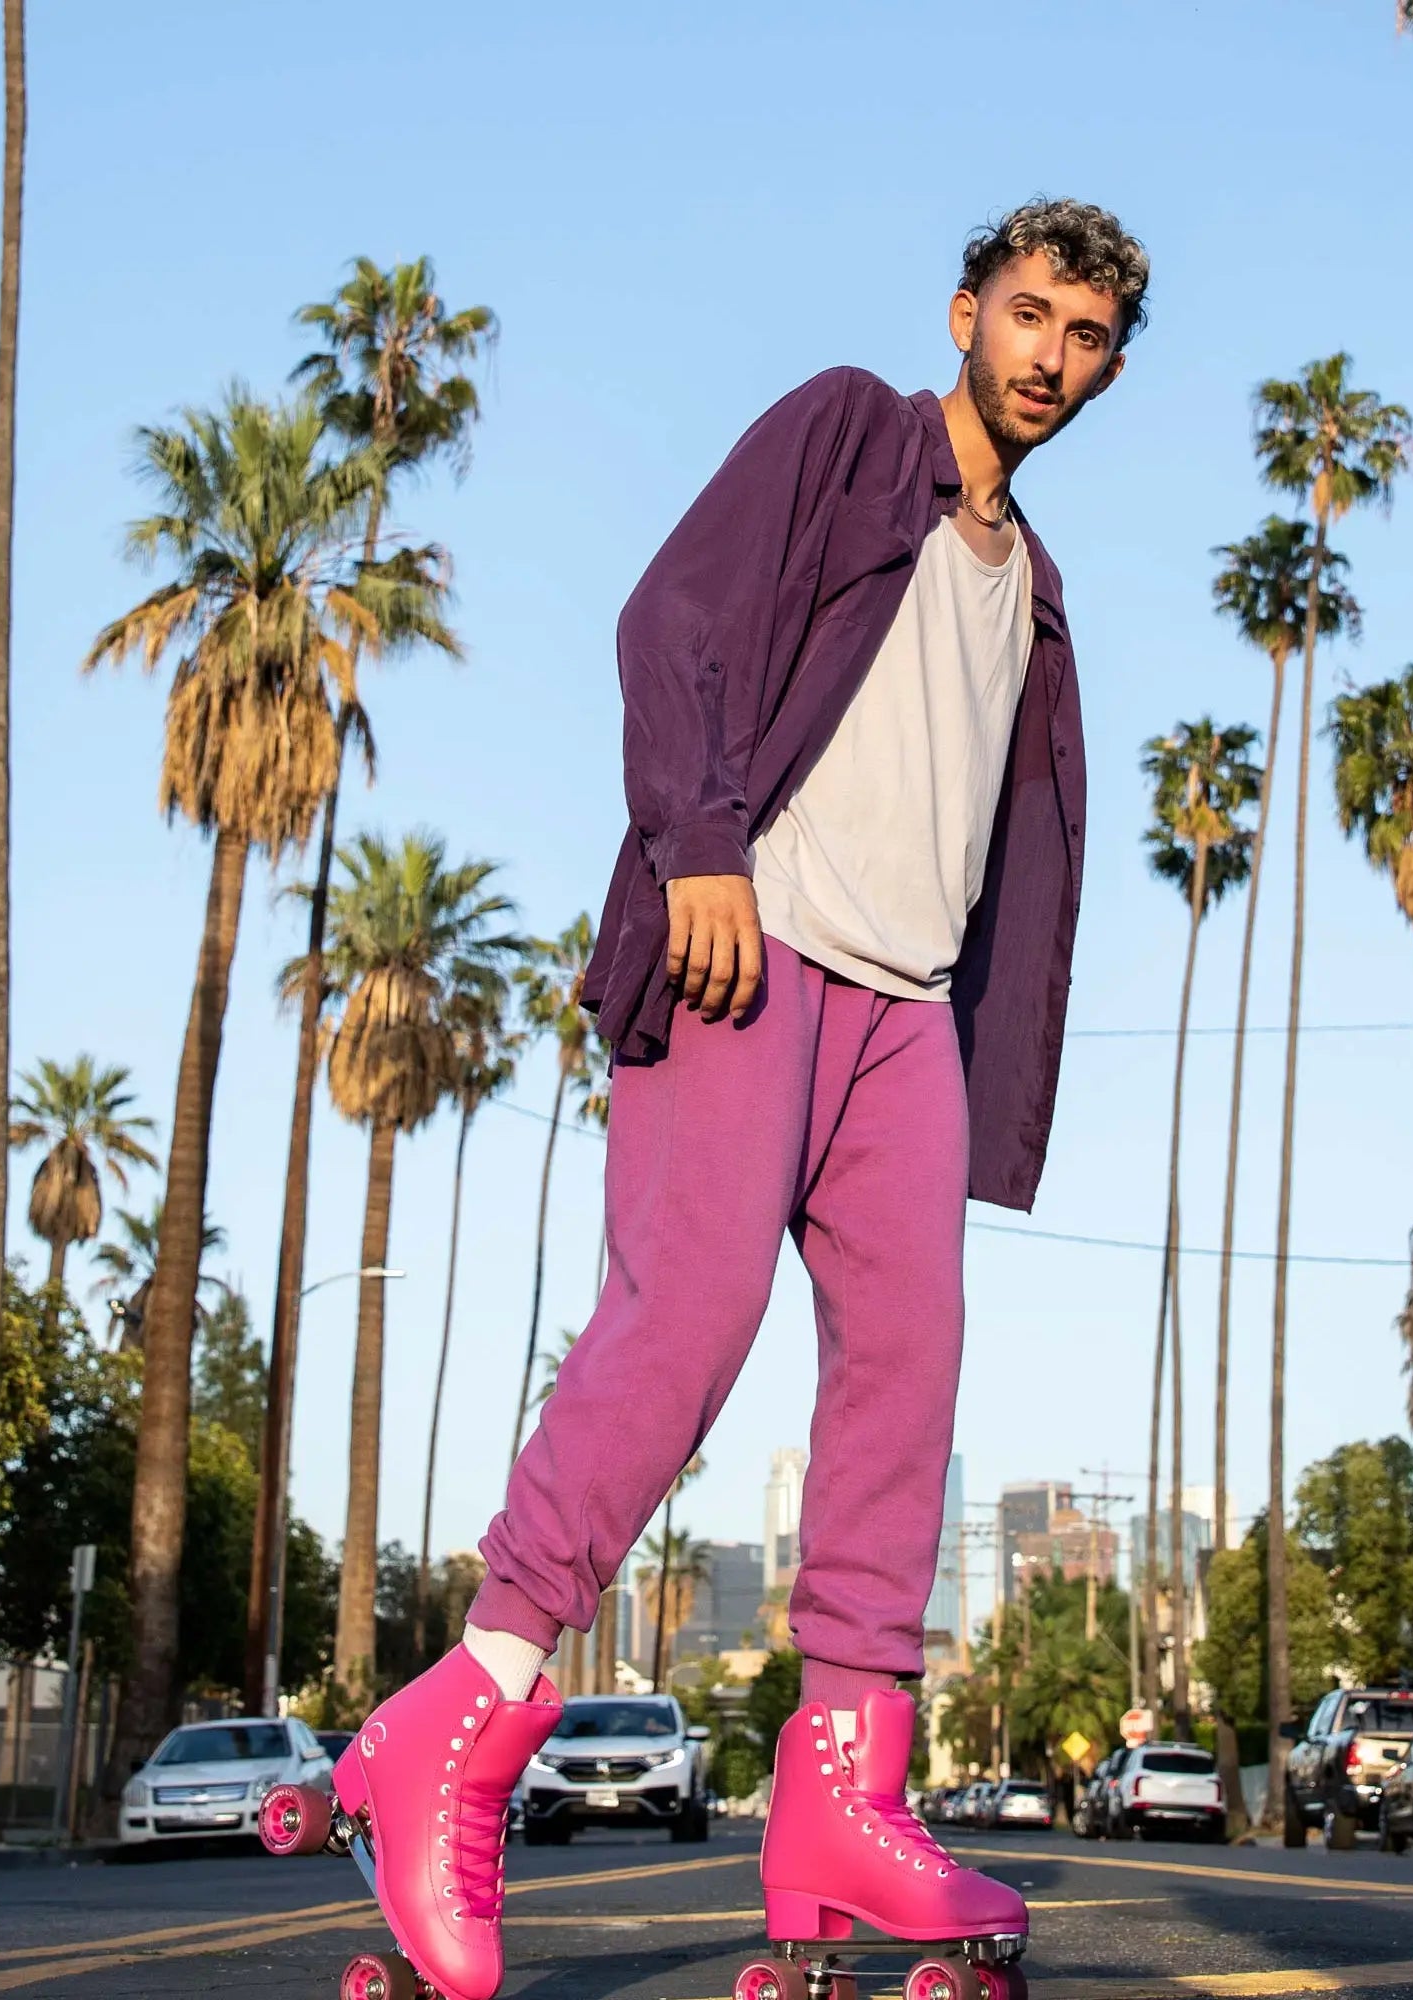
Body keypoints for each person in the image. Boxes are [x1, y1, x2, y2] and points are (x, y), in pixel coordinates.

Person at [329, 199, 1148, 2000]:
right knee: (688, 1316)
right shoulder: (851, 431)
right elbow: (674, 614)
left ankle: (846, 1790)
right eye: (1030, 318)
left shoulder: (1040, 590)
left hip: (907, 1013)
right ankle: (461, 1719)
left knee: (909, 1365)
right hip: (751, 941)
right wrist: (698, 847)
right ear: (965, 314)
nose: (1051, 361)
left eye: (1088, 340)